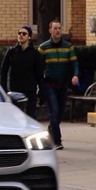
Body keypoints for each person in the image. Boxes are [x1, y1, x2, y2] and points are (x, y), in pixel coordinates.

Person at [38, 20, 79, 150]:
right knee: (54, 111)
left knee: (60, 112)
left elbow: (74, 63)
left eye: (59, 28)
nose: (57, 31)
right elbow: (38, 65)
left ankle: (51, 128)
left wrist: (75, 75)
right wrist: (40, 80)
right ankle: (57, 141)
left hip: (63, 85)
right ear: (50, 30)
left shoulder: (68, 47)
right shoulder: (43, 48)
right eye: (55, 28)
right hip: (50, 84)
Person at [0, 26, 44, 119]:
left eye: (24, 33)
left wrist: (41, 91)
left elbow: (39, 73)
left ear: (29, 37)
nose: (21, 35)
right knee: (15, 117)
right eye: (19, 33)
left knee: (31, 116)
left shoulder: (35, 54)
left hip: (30, 90)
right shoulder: (12, 52)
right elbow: (3, 71)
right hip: (15, 90)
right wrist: (3, 89)